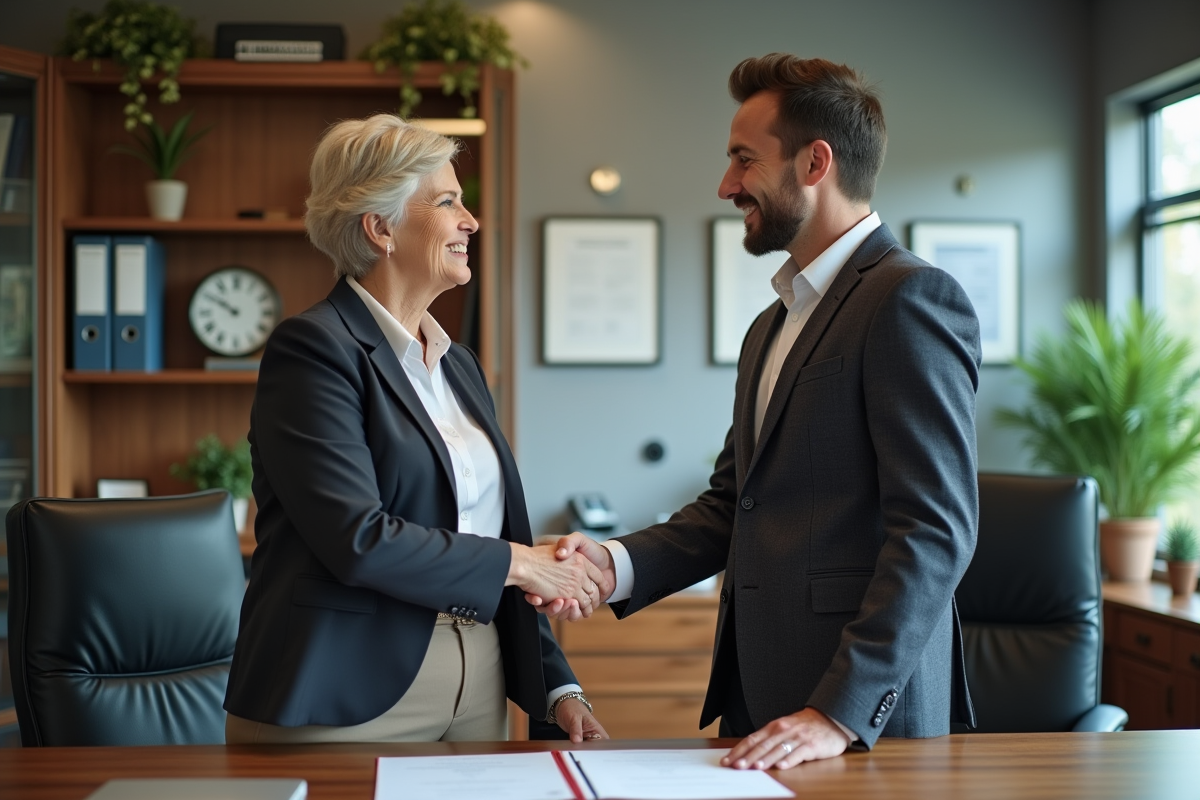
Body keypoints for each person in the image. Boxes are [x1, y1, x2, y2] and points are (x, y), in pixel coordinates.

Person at [532, 54, 980, 767]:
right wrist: (611, 563)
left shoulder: (909, 299)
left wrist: (839, 713)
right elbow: (733, 505)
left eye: (743, 159)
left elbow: (936, 529)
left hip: (859, 725)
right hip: (761, 702)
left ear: (815, 162)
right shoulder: (770, 327)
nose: (725, 184)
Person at [224, 114, 608, 744]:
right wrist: (523, 563)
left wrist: (557, 685)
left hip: (480, 677)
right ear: (381, 228)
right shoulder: (314, 350)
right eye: (448, 201)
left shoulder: (457, 365)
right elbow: (357, 537)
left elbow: (495, 535)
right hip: (345, 688)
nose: (471, 222)